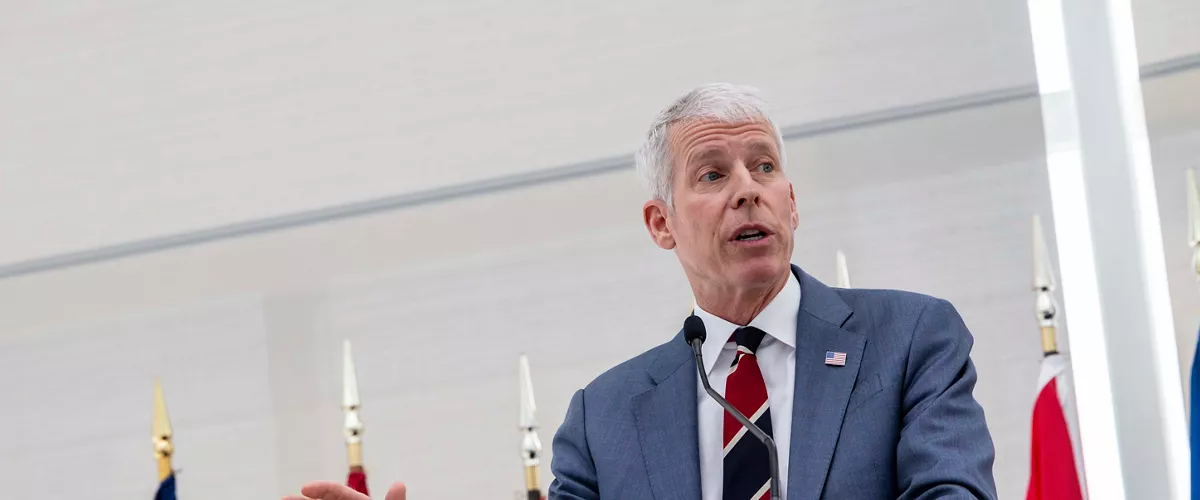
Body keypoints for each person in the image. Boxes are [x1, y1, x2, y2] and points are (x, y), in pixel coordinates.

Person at [284, 83, 996, 500]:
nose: (748, 189)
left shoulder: (908, 340)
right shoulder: (605, 418)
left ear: (793, 201)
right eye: (713, 174)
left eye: (764, 166)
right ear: (661, 223)